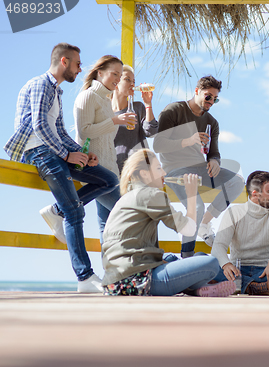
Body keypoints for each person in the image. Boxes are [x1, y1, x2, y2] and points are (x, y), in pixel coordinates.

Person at [3, 43, 119, 293]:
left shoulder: (56, 92)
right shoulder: (40, 85)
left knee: (108, 180)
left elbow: (60, 131)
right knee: (75, 212)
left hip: (55, 150)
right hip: (39, 151)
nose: (80, 69)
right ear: (64, 61)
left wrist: (83, 154)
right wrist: (67, 154)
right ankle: (85, 278)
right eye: (78, 63)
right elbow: (39, 126)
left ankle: (56, 211)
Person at [101, 149, 236, 297]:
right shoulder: (151, 194)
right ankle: (214, 286)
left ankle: (200, 287)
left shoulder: (129, 196)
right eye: (158, 168)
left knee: (186, 257)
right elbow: (189, 230)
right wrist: (191, 195)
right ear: (144, 173)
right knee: (210, 263)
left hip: (113, 282)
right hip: (137, 282)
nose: (164, 173)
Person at [153, 75, 245, 258]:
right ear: (197, 91)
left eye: (215, 98)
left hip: (200, 168)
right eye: (208, 96)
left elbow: (214, 152)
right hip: (175, 171)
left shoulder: (212, 122)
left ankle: (204, 223)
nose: (211, 101)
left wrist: (214, 161)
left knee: (237, 182)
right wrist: (188, 141)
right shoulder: (173, 110)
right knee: (197, 206)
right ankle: (187, 256)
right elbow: (158, 145)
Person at [74, 55, 137, 241]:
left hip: (110, 171)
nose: (117, 79)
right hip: (95, 171)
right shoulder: (88, 96)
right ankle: (59, 210)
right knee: (131, 215)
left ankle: (110, 269)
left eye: (120, 75)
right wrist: (115, 120)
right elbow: (84, 132)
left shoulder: (106, 101)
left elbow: (107, 141)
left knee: (106, 226)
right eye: (114, 74)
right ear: (100, 73)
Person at [211, 171, 269, 295]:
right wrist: (226, 264)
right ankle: (255, 287)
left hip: (265, 273)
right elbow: (218, 246)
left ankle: (240, 286)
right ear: (255, 194)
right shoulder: (234, 213)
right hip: (237, 272)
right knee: (201, 260)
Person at [111, 65, 159, 173]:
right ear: (116, 83)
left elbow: (151, 132)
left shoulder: (137, 108)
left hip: (140, 169)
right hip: (115, 171)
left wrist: (148, 104)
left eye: (133, 81)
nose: (132, 84)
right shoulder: (105, 112)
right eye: (127, 80)